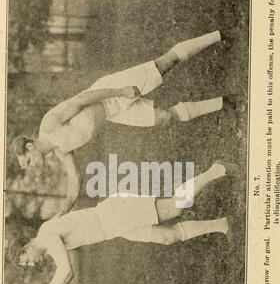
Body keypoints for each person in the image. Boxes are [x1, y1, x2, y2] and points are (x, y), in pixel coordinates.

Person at [13, 30, 227, 215]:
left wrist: (121, 91)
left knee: (166, 62)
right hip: (113, 113)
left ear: (30, 146)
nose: (32, 166)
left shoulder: (48, 125)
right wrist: (64, 209)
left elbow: (81, 100)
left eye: (28, 161)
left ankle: (218, 36)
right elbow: (75, 180)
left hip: (110, 92)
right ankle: (223, 103)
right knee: (164, 118)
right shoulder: (61, 150)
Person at [9, 160, 237, 284]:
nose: (32, 263)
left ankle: (217, 169)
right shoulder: (47, 238)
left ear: (27, 246)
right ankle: (222, 225)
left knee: (174, 208)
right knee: (168, 237)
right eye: (27, 265)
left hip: (114, 214)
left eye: (27, 259)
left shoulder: (47, 236)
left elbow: (67, 271)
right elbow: (66, 273)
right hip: (114, 225)